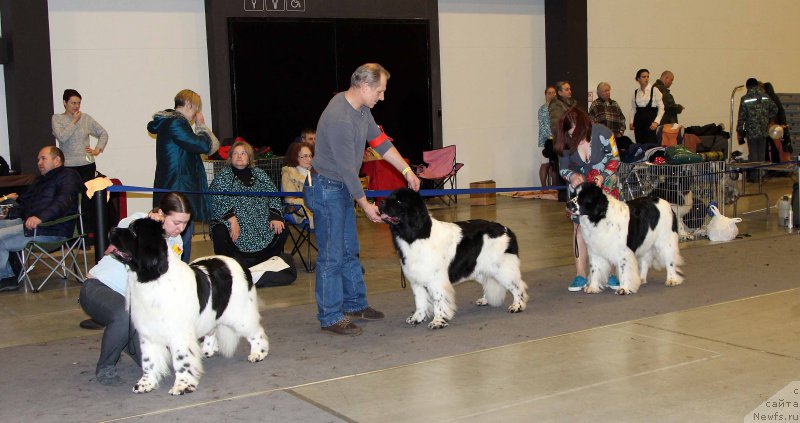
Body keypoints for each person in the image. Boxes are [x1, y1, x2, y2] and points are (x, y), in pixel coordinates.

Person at [307, 63, 420, 335]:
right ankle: (330, 316)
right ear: (364, 86)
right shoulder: (340, 118)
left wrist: (406, 170)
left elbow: (380, 142)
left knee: (350, 249)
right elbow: (348, 169)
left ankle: (355, 304)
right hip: (328, 188)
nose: (382, 97)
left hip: (341, 186)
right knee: (332, 256)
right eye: (379, 91)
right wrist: (365, 204)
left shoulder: (361, 110)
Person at [79, 192, 192, 385]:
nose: (180, 228)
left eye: (185, 223)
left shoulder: (176, 242)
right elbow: (122, 231)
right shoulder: (137, 222)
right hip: (98, 288)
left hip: (133, 302)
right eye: (176, 222)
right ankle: (105, 367)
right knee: (125, 315)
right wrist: (148, 221)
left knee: (156, 365)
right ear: (161, 214)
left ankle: (122, 337)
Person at [148, 89, 219, 263]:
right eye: (196, 108)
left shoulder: (170, 122)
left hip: (175, 187)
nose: (196, 114)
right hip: (179, 190)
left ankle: (175, 269)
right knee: (180, 237)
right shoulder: (176, 123)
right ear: (188, 104)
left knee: (174, 237)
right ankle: (180, 270)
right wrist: (201, 126)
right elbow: (204, 146)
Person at [555, 107, 620, 292]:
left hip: (605, 188)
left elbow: (615, 159)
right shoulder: (564, 141)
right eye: (570, 134)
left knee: (608, 230)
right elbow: (563, 168)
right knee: (579, 229)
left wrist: (603, 175)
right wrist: (572, 176)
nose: (574, 137)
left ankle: (611, 273)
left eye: (577, 133)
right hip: (579, 192)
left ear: (585, 125)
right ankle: (580, 275)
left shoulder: (604, 133)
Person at [0, 146, 82, 291]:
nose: (39, 163)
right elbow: (24, 204)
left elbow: (62, 202)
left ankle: (6, 278)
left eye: (43, 158)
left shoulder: (69, 176)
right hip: (32, 226)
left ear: (57, 160)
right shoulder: (40, 180)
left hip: (51, 229)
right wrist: (7, 213)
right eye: (38, 159)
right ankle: (8, 276)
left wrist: (40, 218)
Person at [209, 139, 287, 268]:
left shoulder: (260, 174)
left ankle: (264, 264)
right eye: (235, 153)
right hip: (234, 222)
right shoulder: (222, 176)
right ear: (230, 157)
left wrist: (275, 216)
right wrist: (232, 220)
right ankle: (227, 268)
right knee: (219, 231)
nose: (239, 156)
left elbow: (273, 195)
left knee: (282, 228)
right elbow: (217, 199)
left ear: (249, 158)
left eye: (243, 153)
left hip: (261, 221)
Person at [51, 89, 109, 234]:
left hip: (87, 165)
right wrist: (74, 121)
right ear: (65, 103)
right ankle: (73, 233)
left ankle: (88, 234)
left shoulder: (86, 118)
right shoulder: (57, 119)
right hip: (69, 167)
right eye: (73, 103)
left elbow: (103, 133)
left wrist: (97, 149)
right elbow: (62, 137)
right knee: (70, 200)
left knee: (87, 201)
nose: (76, 106)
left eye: (78, 103)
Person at [737, 78, 778, 181]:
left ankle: (755, 177)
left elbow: (741, 116)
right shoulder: (765, 97)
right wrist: (767, 119)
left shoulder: (745, 98)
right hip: (763, 130)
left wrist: (740, 130)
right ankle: (761, 175)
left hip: (751, 131)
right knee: (761, 154)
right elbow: (775, 109)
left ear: (747, 87)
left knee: (753, 154)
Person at [282, 141, 315, 228]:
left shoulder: (315, 171)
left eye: (310, 156)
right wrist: (311, 202)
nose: (309, 159)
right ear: (295, 157)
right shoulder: (288, 173)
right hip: (300, 210)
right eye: (305, 156)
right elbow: (289, 199)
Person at [629, 69, 665, 145]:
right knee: (639, 144)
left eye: (647, 77)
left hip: (650, 122)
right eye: (644, 77)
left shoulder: (654, 90)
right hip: (638, 122)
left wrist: (656, 122)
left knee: (650, 144)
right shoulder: (636, 92)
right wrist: (631, 121)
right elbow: (633, 108)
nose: (646, 79)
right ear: (638, 79)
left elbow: (661, 108)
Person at [762, 82, 792, 162]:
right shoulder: (775, 97)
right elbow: (781, 111)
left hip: (772, 126)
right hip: (777, 126)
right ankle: (777, 164)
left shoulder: (766, 98)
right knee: (777, 147)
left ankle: (770, 164)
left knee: (770, 147)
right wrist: (783, 123)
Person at [538, 86, 557, 186]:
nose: (552, 95)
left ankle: (554, 188)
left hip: (556, 140)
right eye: (549, 93)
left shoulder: (558, 108)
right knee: (545, 164)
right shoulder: (543, 109)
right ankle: (543, 188)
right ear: (545, 95)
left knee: (554, 165)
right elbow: (544, 126)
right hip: (546, 141)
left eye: (553, 92)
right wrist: (551, 137)